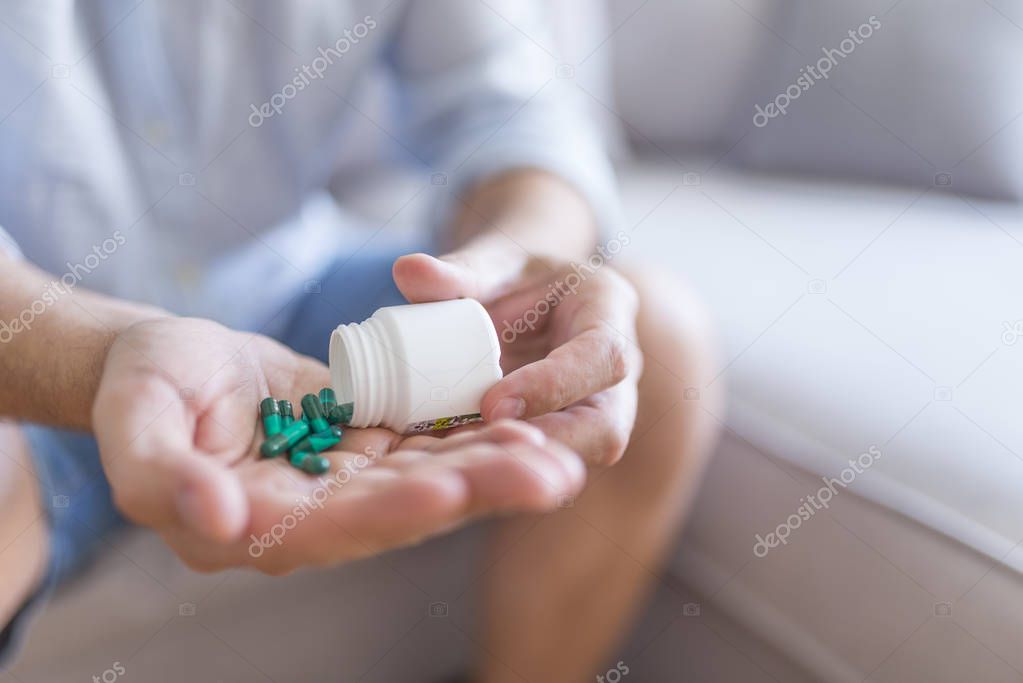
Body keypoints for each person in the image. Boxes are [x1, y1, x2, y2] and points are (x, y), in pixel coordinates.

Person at [0, 2, 719, 680]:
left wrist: (518, 257)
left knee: (652, 335)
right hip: (31, 335)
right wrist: (100, 355)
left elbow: (512, 110)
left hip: (282, 290)